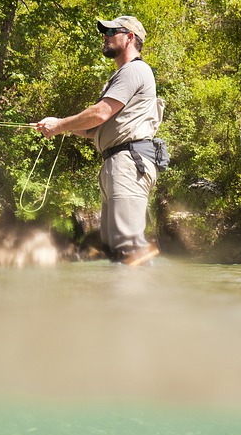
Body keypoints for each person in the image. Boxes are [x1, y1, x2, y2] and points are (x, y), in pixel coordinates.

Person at [36, 15, 163, 265]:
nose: (104, 37)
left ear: (129, 38)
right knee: (116, 249)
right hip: (118, 162)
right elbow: (95, 129)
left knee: (128, 248)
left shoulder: (135, 70)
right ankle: (120, 301)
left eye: (111, 31)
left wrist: (60, 124)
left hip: (128, 161)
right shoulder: (122, 76)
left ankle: (141, 301)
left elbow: (99, 113)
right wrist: (58, 126)